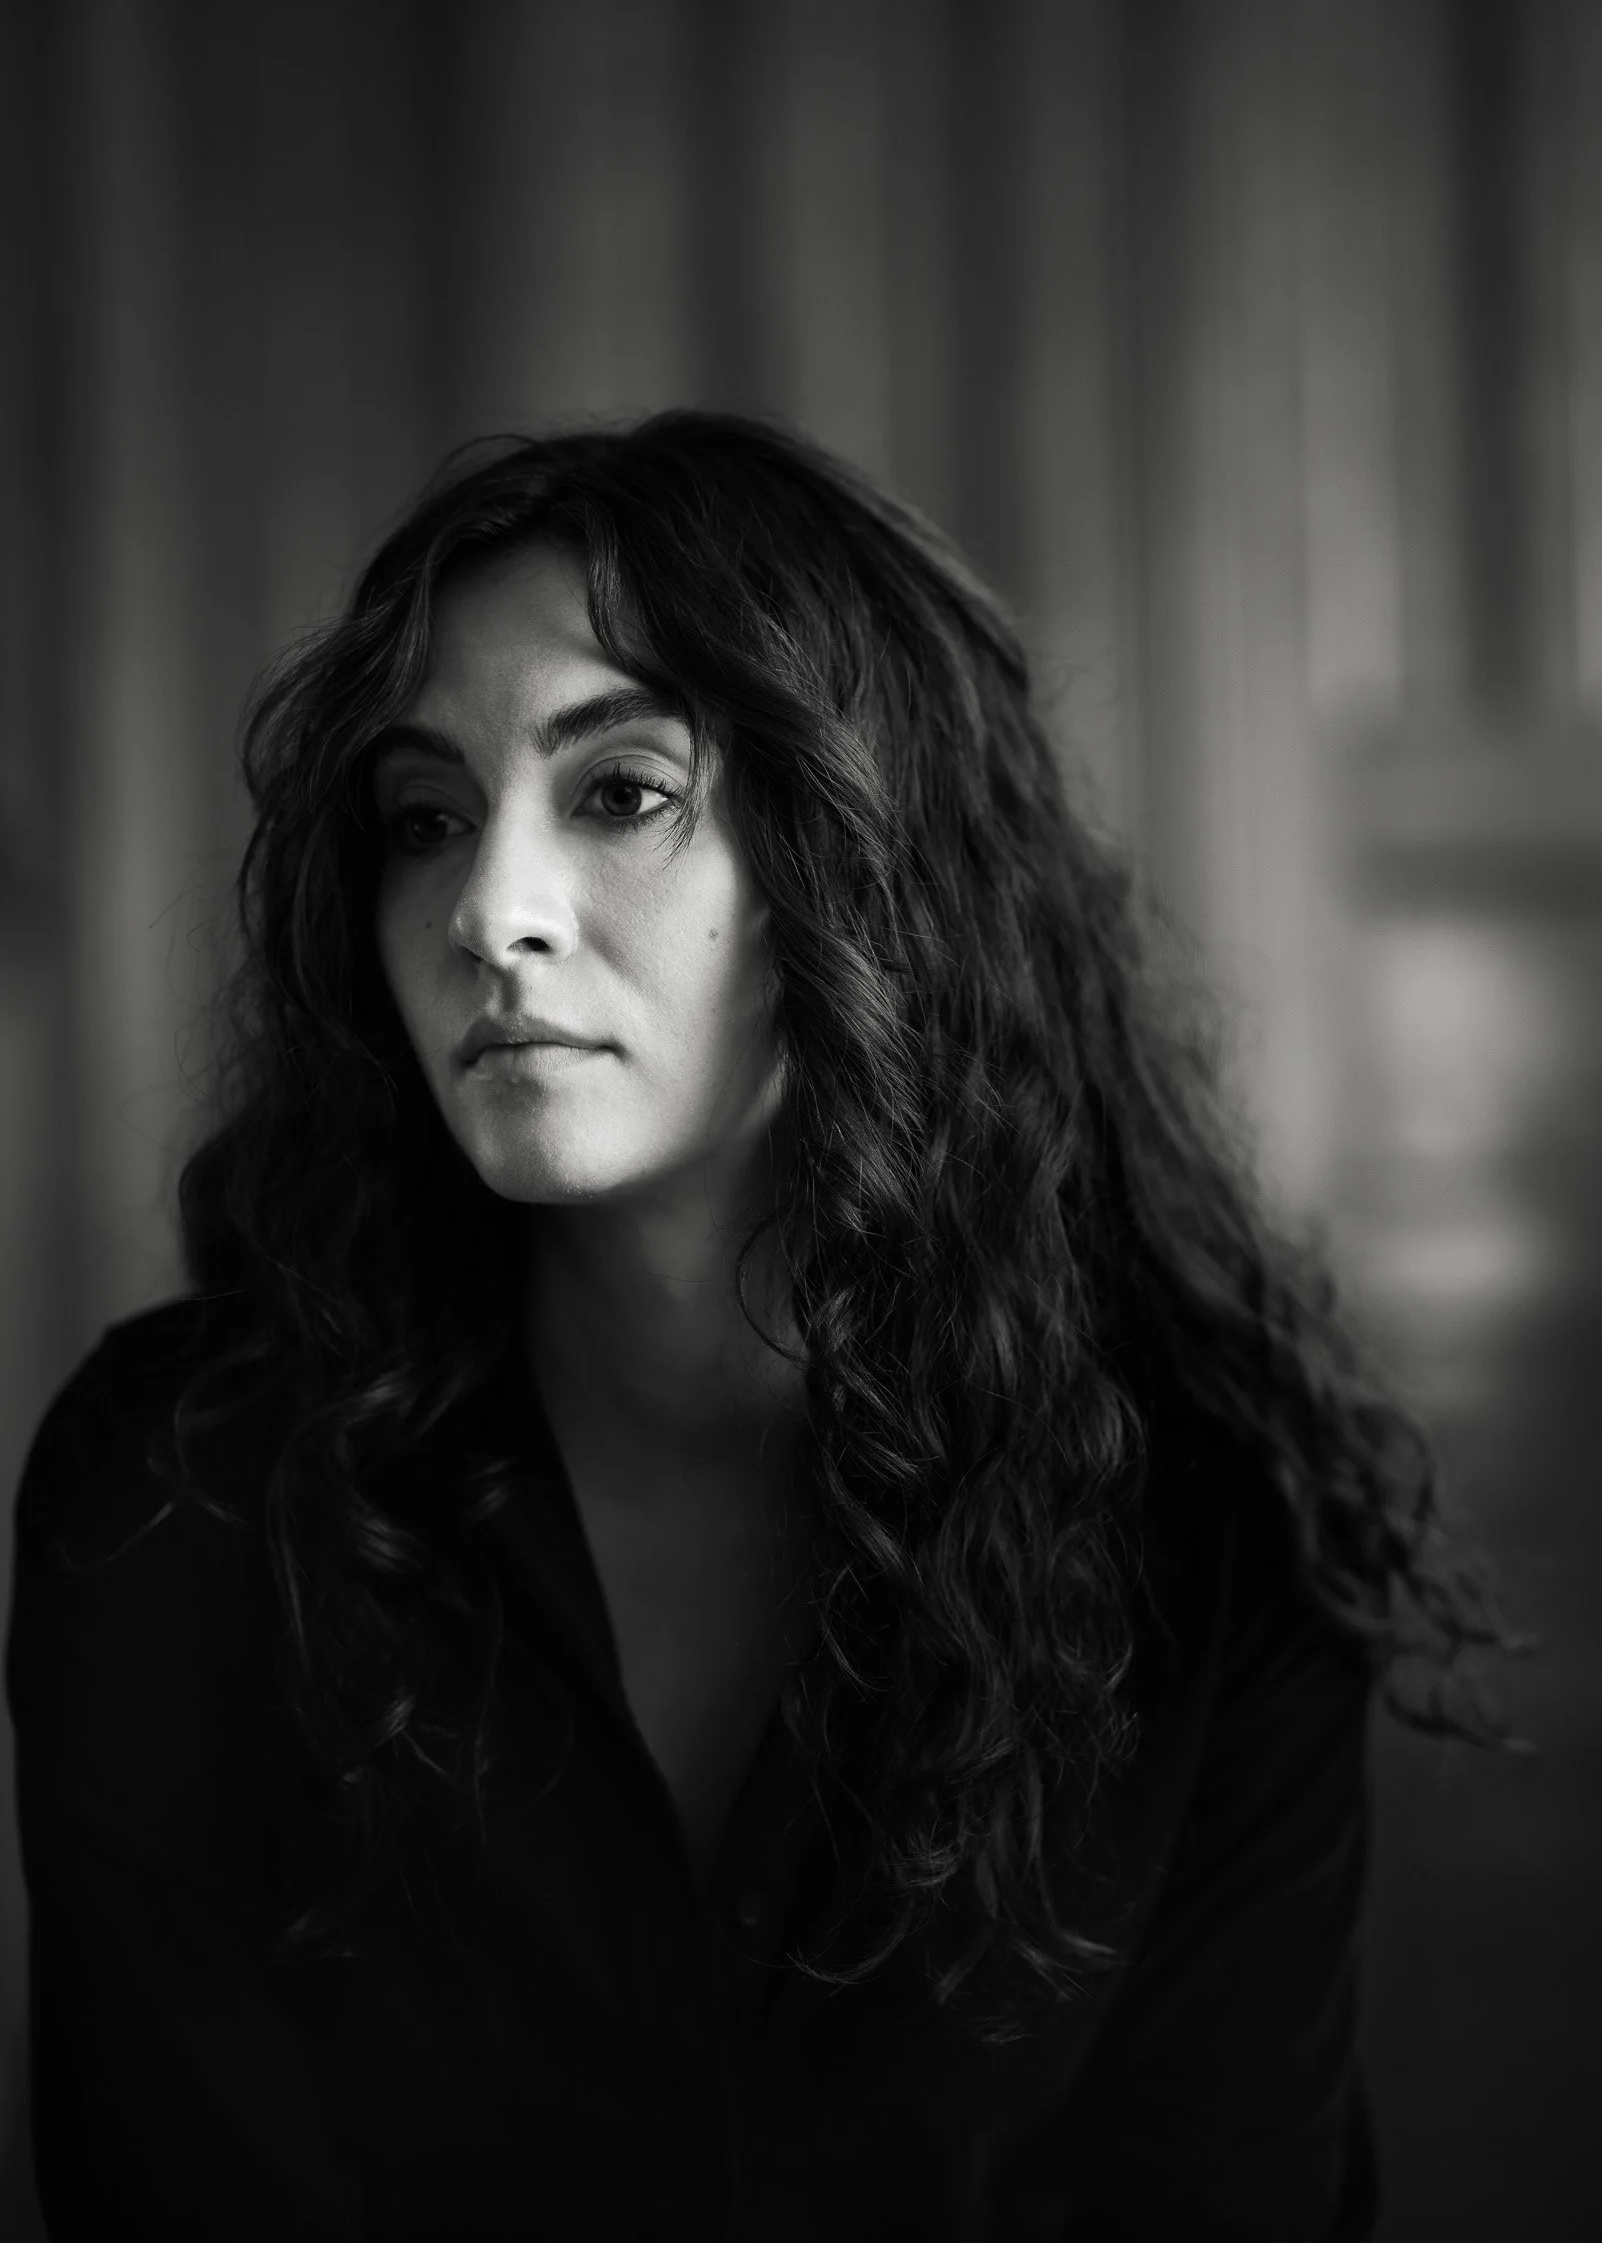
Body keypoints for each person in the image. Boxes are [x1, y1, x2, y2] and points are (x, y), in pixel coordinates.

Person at [6, 411, 1523, 2241]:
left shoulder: (1199, 1528)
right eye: (423, 817)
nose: (489, 912)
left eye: (621, 792)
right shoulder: (180, 1500)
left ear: (863, 862)